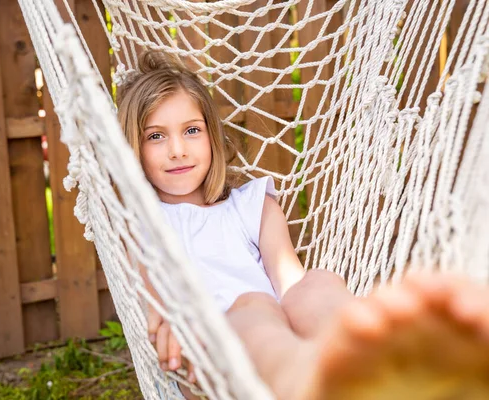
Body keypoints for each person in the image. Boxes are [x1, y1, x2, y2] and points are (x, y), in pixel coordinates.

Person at [116, 50, 489, 399]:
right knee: (253, 305)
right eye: (156, 136)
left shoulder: (251, 206)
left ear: (212, 135)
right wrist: (165, 324)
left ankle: (366, 348)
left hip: (281, 331)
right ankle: (311, 379)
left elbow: (290, 284)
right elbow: (153, 295)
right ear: (134, 148)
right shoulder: (142, 224)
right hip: (209, 356)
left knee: (318, 281)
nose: (178, 149)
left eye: (191, 130)